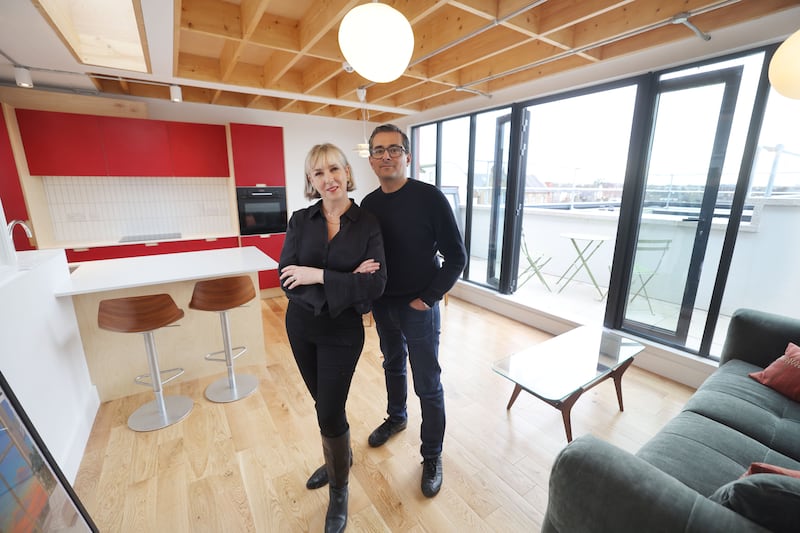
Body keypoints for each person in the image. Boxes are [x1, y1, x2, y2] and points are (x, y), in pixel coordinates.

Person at [279, 143, 386, 532]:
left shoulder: (367, 223)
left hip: (343, 332)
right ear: (311, 180)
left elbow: (376, 284)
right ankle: (341, 458)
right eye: (319, 173)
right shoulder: (300, 220)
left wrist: (318, 275)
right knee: (324, 404)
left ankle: (339, 489)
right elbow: (287, 277)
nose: (329, 179)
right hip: (302, 327)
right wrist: (345, 282)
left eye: (334, 169)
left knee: (328, 410)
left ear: (347, 172)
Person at [361, 124, 467, 498]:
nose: (386, 156)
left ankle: (432, 455)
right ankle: (396, 418)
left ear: (408, 156)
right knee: (392, 364)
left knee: (427, 381)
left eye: (394, 149)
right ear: (371, 160)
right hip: (383, 303)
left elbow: (456, 257)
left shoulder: (429, 198)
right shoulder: (369, 205)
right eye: (378, 150)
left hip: (418, 305)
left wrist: (428, 298)